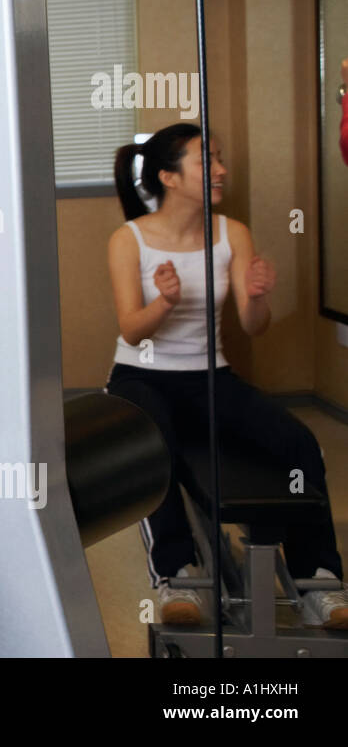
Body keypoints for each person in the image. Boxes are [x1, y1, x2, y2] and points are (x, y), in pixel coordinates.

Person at [104, 124, 347, 629]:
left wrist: (257, 295)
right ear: (169, 177)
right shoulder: (128, 240)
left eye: (220, 158)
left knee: (299, 442)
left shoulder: (230, 233)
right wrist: (165, 304)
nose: (221, 170)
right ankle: (176, 574)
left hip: (211, 377)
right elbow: (131, 329)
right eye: (206, 160)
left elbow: (252, 326)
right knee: (156, 440)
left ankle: (319, 579)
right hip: (141, 375)